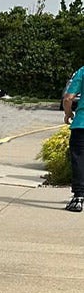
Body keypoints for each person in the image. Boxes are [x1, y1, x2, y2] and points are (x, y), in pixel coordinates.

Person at [62, 64, 84, 212]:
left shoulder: (82, 71)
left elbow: (68, 98)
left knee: (79, 159)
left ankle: (78, 198)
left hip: (82, 124)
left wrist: (68, 113)